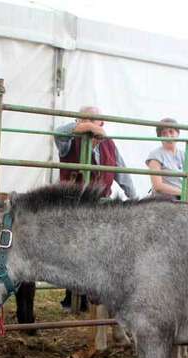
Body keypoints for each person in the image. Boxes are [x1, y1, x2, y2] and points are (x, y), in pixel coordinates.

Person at [54, 106, 137, 311]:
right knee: (73, 252)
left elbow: (121, 172)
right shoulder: (69, 142)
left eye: (96, 120)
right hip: (73, 205)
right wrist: (87, 125)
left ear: (103, 123)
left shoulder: (109, 145)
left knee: (98, 251)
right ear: (78, 122)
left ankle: (95, 295)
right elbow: (59, 132)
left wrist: (133, 197)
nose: (91, 123)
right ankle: (72, 298)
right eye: (85, 119)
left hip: (101, 206)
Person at [147, 118, 188, 202]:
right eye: (164, 133)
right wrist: (183, 193)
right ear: (159, 136)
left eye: (171, 131)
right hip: (165, 199)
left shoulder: (184, 154)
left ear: (177, 133)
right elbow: (158, 186)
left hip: (183, 197)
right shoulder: (155, 155)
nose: (168, 136)